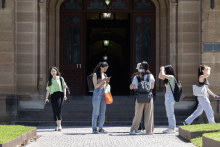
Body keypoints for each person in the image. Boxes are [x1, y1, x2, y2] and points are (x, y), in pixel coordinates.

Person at [129, 61, 155, 135]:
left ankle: (133, 130)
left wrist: (132, 86)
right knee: (149, 114)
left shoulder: (136, 76)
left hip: (139, 97)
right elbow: (152, 87)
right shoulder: (151, 76)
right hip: (148, 96)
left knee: (137, 114)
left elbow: (133, 87)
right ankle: (149, 131)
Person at [45, 67, 67, 131]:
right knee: (55, 110)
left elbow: (64, 87)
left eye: (54, 71)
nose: (53, 72)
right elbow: (48, 90)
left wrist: (65, 95)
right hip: (53, 96)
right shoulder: (50, 80)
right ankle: (57, 125)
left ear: (56, 72)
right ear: (50, 73)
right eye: (52, 71)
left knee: (58, 109)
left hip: (60, 95)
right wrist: (46, 98)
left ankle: (60, 125)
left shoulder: (60, 78)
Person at [92, 62, 110, 134]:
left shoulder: (104, 74)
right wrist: (103, 80)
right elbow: (95, 86)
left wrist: (107, 81)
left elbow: (105, 85)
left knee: (103, 112)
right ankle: (94, 128)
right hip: (97, 93)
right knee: (96, 112)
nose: (105, 70)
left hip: (103, 93)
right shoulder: (95, 74)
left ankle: (100, 128)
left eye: (107, 68)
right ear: (101, 67)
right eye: (104, 68)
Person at [158, 65, 176, 133]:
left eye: (165, 70)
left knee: (170, 112)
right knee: (169, 112)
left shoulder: (171, 77)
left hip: (170, 95)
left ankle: (172, 128)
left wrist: (162, 69)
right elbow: (160, 76)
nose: (164, 71)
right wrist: (161, 70)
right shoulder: (167, 78)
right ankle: (171, 127)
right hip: (168, 95)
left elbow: (162, 74)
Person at [130, 63, 145, 133]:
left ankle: (138, 127)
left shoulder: (135, 76)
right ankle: (144, 127)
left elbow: (133, 86)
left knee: (137, 112)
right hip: (147, 95)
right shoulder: (148, 75)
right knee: (145, 112)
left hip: (138, 95)